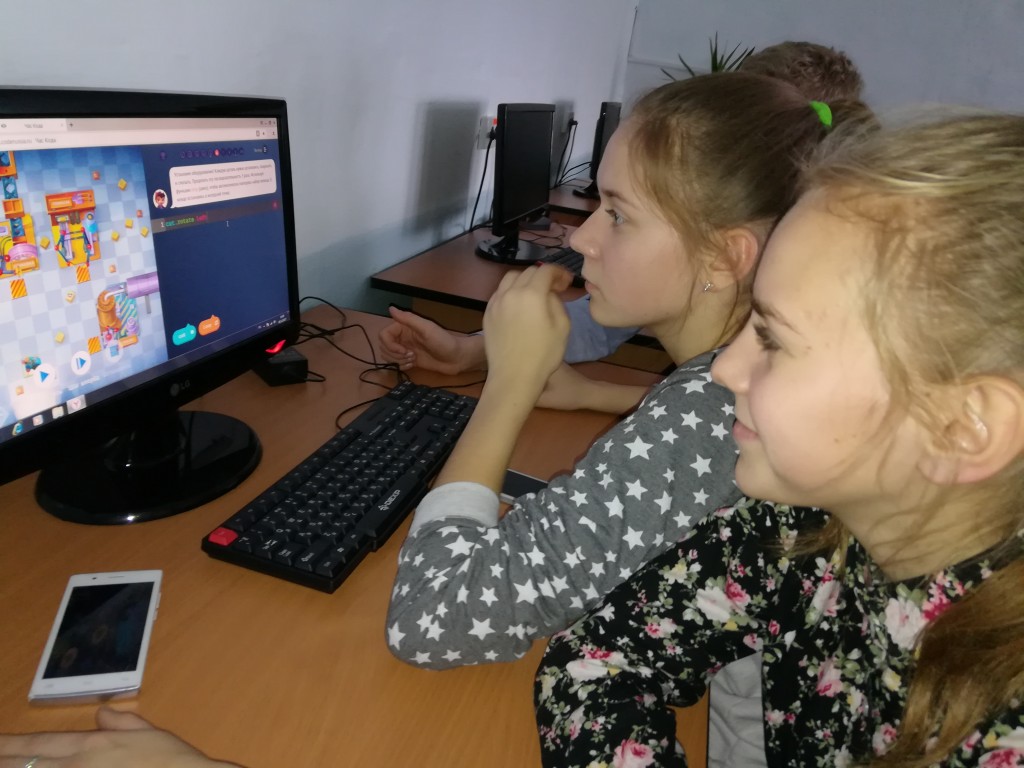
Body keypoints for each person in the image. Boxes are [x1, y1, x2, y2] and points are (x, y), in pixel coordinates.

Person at [387, 71, 866, 768]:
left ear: (724, 256)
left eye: (617, 214)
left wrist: (508, 388)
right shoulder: (732, 380)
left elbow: (433, 618)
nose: (581, 237)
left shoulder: (705, 410)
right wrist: (564, 386)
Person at [534, 113, 1024, 766]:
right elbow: (596, 659)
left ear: (961, 426)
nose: (725, 370)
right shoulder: (803, 526)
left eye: (771, 338)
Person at [378, 39, 864, 416]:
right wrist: (473, 351)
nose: (579, 238)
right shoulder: (699, 275)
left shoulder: (831, 328)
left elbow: (733, 414)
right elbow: (599, 327)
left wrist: (576, 392)